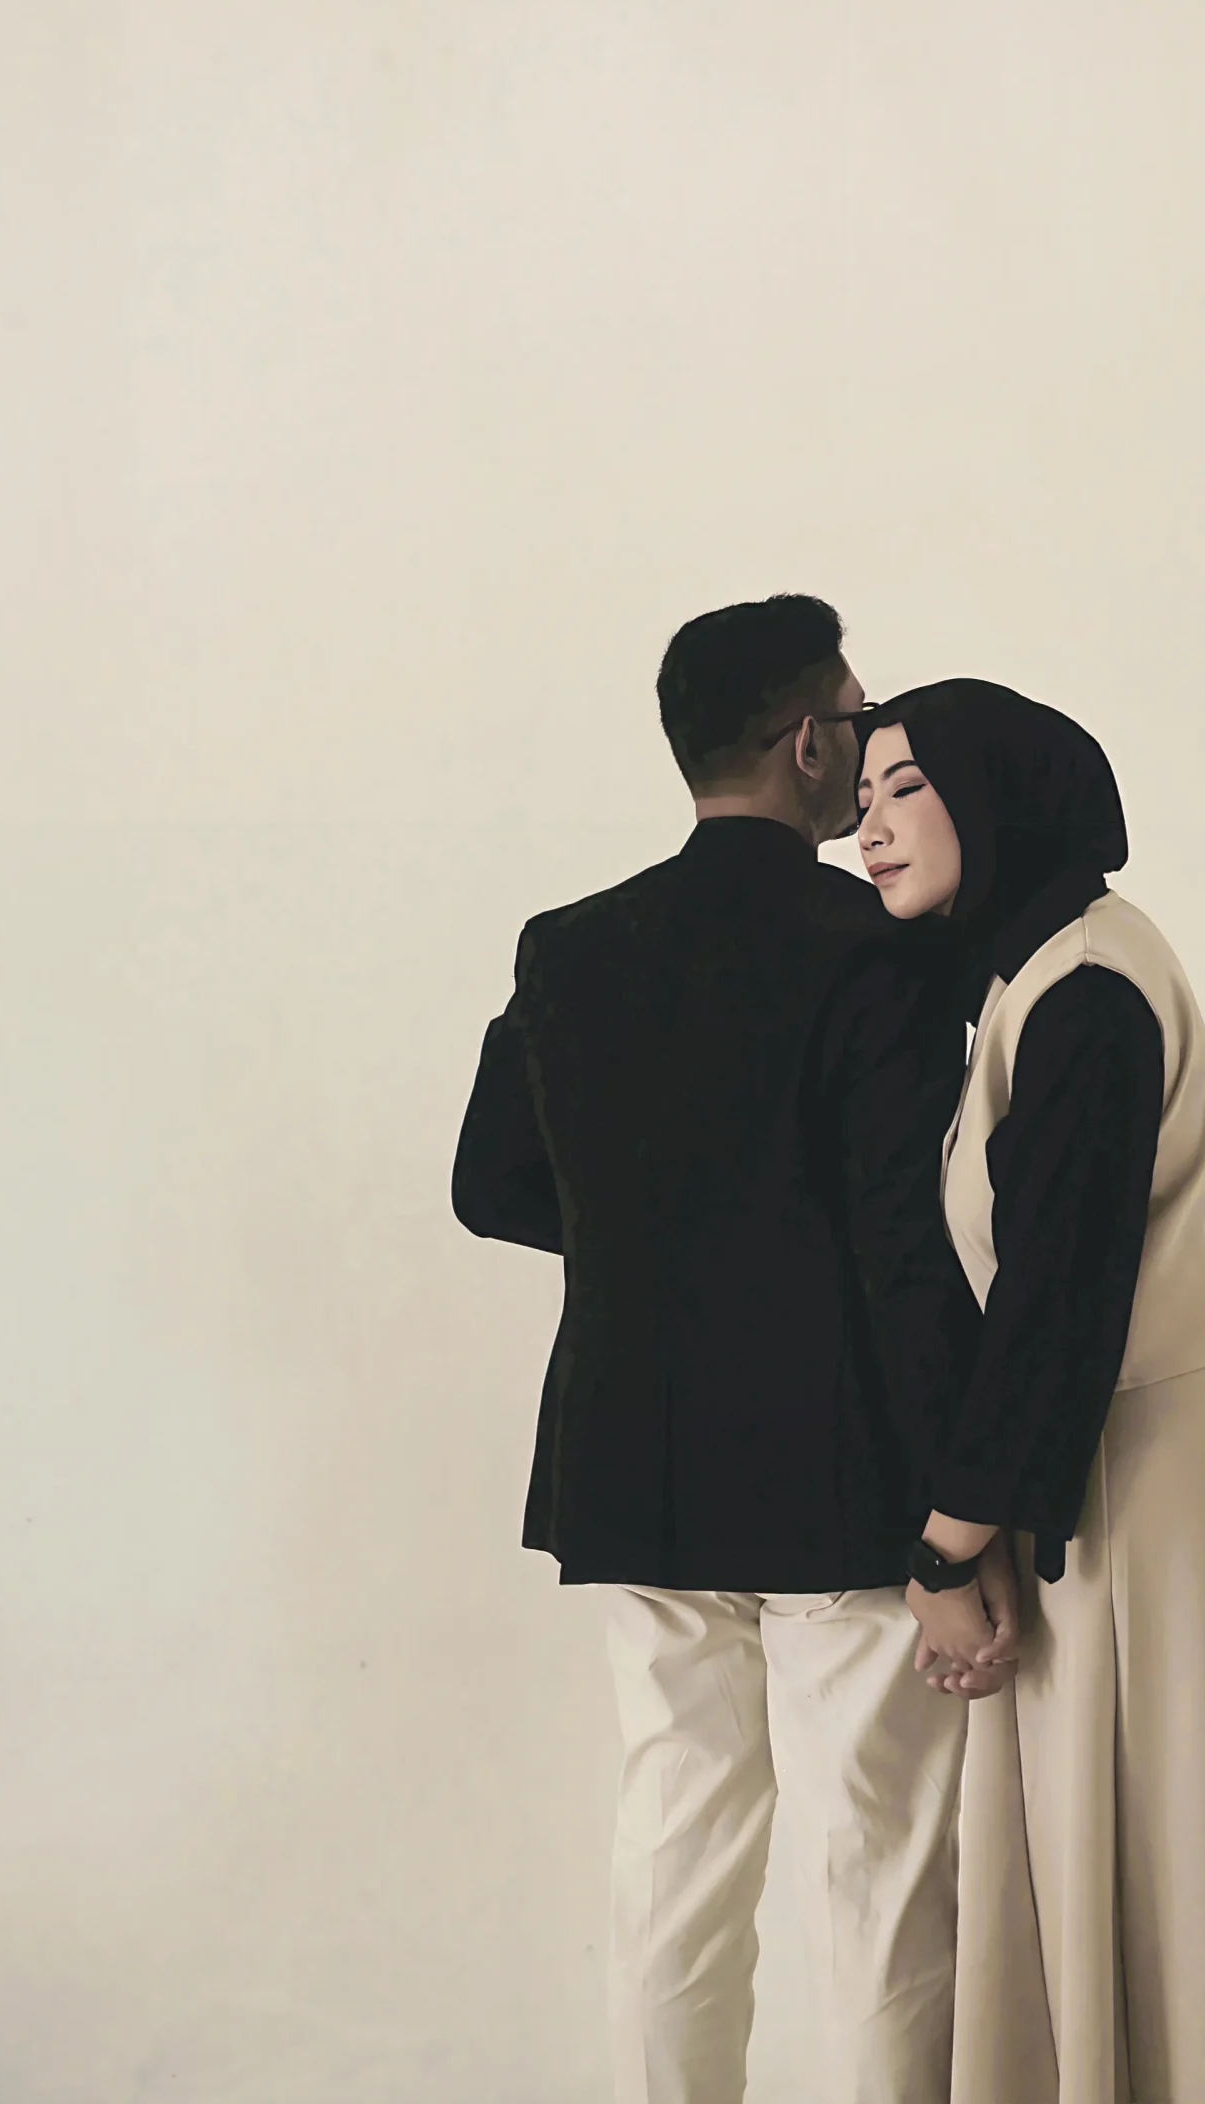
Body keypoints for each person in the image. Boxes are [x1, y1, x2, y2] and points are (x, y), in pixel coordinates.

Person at [449, 597, 1012, 2104]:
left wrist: (669, 1255)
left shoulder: (568, 946)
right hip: (842, 1464)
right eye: (858, 717)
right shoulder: (879, 952)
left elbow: (489, 1186)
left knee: (676, 1839)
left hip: (635, 1461)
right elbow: (902, 1248)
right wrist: (960, 1511)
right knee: (877, 1858)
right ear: (809, 743)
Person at [852, 679, 1205, 2104]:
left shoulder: (1084, 991)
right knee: (1140, 1835)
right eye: (859, 798)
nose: (870, 828)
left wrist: (945, 1548)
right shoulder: (1047, 968)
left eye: (904, 788)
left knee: (1157, 1826)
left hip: (1136, 1469)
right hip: (1129, 1450)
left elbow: (1057, 1306)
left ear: (992, 793)